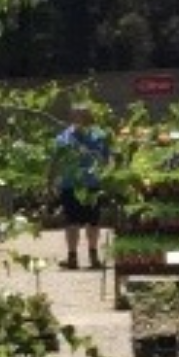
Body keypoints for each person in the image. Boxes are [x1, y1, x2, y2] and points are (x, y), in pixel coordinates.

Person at [50, 101, 112, 269]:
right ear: (72, 117)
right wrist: (50, 181)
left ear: (90, 116)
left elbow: (108, 160)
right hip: (70, 184)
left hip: (93, 184)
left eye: (84, 115)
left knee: (93, 222)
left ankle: (94, 256)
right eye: (77, 114)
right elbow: (55, 161)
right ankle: (72, 257)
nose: (81, 118)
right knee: (71, 222)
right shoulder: (64, 137)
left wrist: (109, 178)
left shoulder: (100, 135)